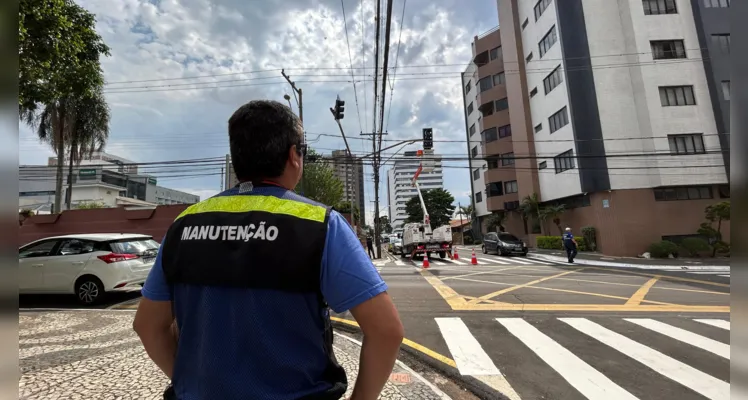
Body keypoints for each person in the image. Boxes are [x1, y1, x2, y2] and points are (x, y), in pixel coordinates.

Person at [133, 100, 404, 400]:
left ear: (237, 158)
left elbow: (147, 325)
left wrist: (190, 383)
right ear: (293, 156)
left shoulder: (183, 226)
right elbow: (386, 331)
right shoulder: (322, 224)